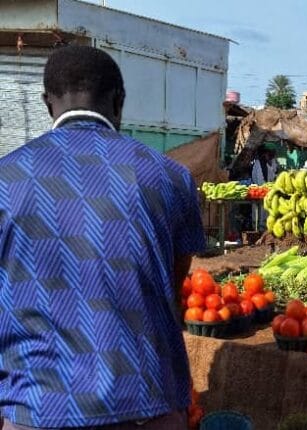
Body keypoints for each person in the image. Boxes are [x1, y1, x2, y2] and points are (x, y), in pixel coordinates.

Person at [0, 46, 204, 429]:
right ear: (118, 101)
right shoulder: (171, 178)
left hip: (38, 408)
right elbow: (172, 285)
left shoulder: (5, 180)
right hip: (148, 406)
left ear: (47, 103)